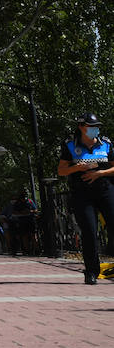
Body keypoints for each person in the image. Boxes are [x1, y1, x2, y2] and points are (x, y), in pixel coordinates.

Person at [57, 113, 114, 285]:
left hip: (106, 190)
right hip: (82, 194)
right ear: (82, 127)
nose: (95, 129)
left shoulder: (107, 144)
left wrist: (100, 173)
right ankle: (91, 271)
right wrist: (77, 167)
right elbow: (61, 171)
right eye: (91, 126)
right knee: (89, 231)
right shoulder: (70, 145)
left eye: (96, 126)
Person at [7, 190, 37, 256]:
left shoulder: (30, 201)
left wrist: (30, 211)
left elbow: (35, 210)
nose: (24, 199)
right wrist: (21, 212)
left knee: (33, 235)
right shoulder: (17, 203)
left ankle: (36, 250)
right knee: (24, 236)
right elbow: (14, 212)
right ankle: (27, 250)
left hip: (31, 221)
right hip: (22, 222)